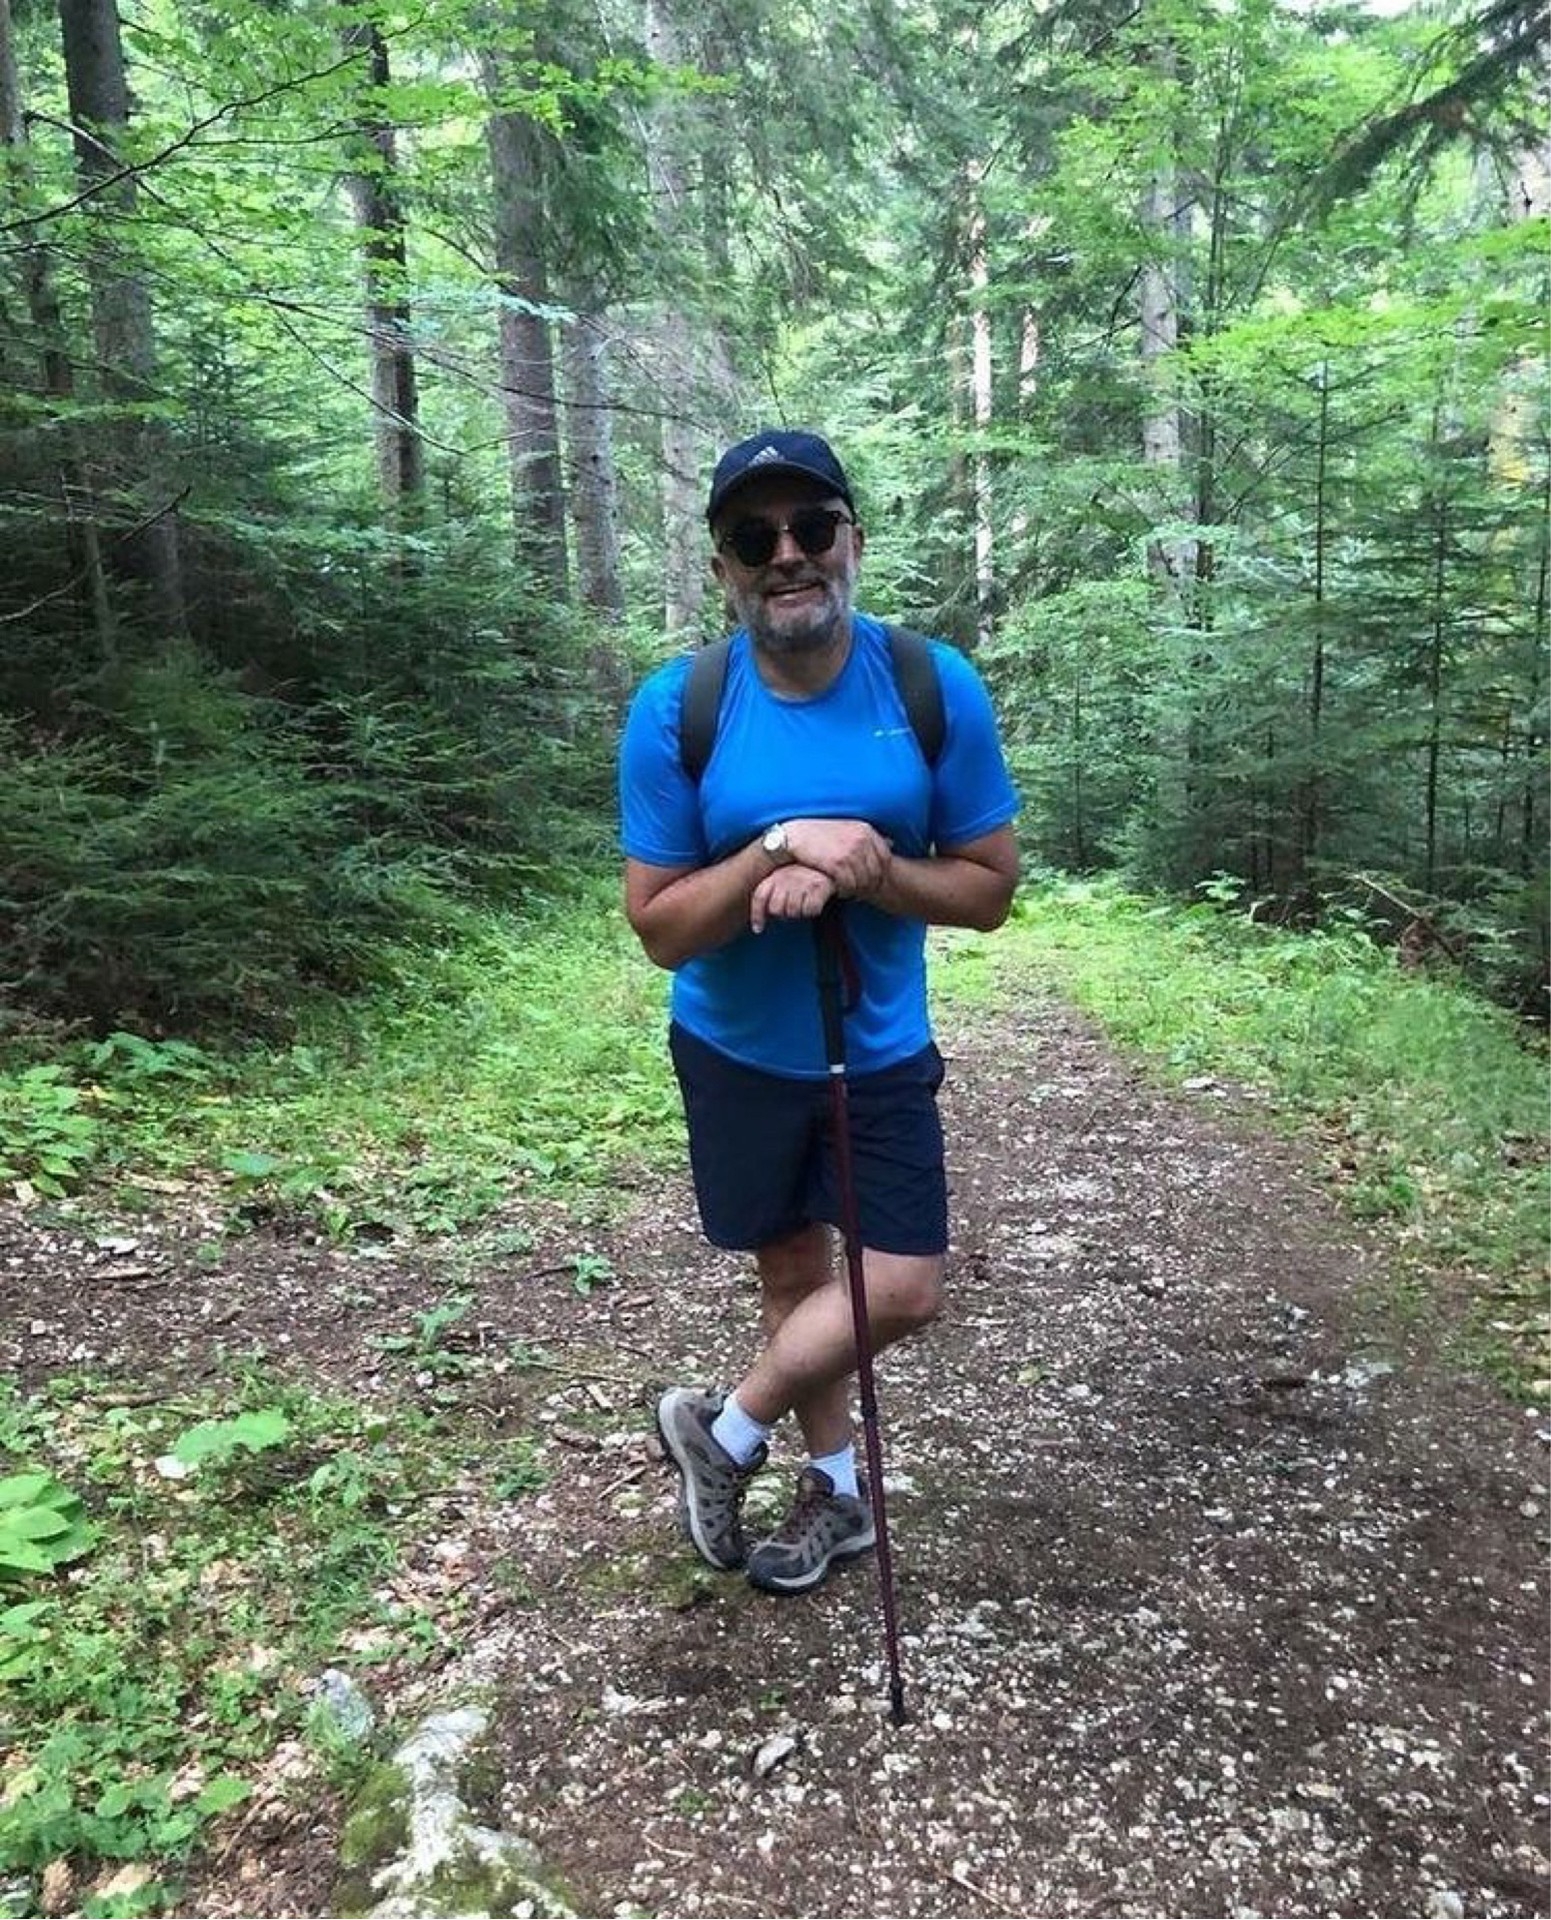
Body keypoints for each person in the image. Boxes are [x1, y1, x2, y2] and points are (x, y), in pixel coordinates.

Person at [617, 428, 1020, 1596]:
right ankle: (837, 1495)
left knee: (900, 1284)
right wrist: (779, 848)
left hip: (878, 1047)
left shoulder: (931, 685)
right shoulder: (679, 708)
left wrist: (868, 870)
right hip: (735, 1051)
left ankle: (725, 1429)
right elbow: (660, 929)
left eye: (811, 527)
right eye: (755, 538)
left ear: (854, 539)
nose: (787, 554)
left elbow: (990, 892)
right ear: (722, 568)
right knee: (795, 1279)